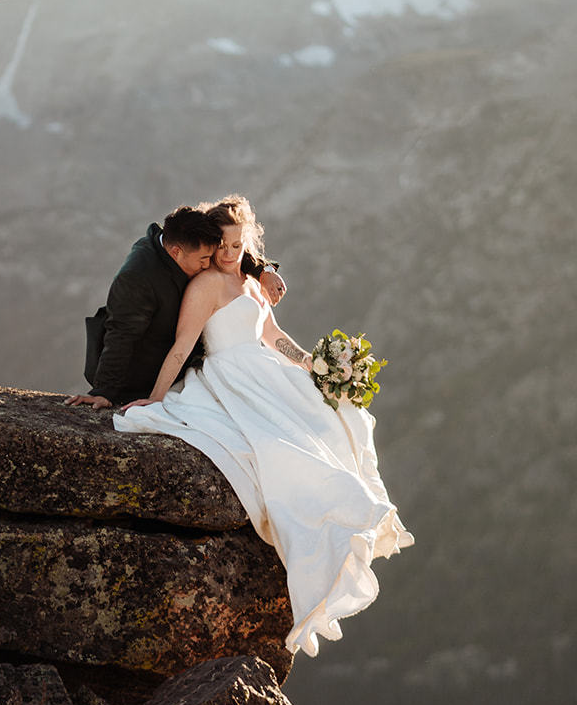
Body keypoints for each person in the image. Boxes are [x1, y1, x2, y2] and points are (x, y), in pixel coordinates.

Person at [114, 195, 413, 656]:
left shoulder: (253, 283)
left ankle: (356, 512)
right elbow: (182, 346)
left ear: (247, 243)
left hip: (268, 371)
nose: (231, 253)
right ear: (212, 244)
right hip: (231, 377)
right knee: (282, 451)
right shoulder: (206, 285)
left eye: (238, 244)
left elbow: (273, 337)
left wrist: (313, 365)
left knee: (334, 422)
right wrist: (154, 401)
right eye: (224, 245)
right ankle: (331, 525)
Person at [69, 203, 286, 410]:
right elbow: (121, 335)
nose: (208, 264)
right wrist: (104, 391)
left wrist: (263, 271)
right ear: (176, 253)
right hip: (140, 369)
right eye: (203, 260)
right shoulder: (137, 278)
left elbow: (230, 247)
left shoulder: (188, 236)